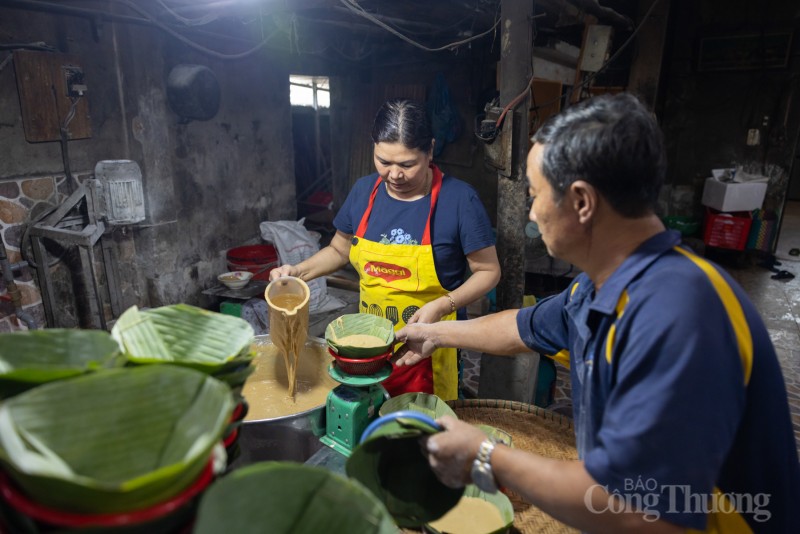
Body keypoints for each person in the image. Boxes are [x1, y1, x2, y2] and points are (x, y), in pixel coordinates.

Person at [395, 93, 800, 532]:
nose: (531, 211)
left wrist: (488, 456)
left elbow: (640, 511)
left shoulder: (680, 312)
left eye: (535, 194)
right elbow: (521, 327)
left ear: (582, 202)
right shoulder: (600, 285)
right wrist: (437, 335)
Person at [271, 99, 500, 401]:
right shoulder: (364, 192)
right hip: (369, 344)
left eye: (407, 164)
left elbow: (489, 271)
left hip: (429, 347)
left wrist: (442, 306)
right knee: (372, 417)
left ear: (430, 151)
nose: (394, 174)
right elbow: (339, 250)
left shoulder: (459, 200)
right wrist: (296, 272)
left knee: (421, 432)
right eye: (383, 161)